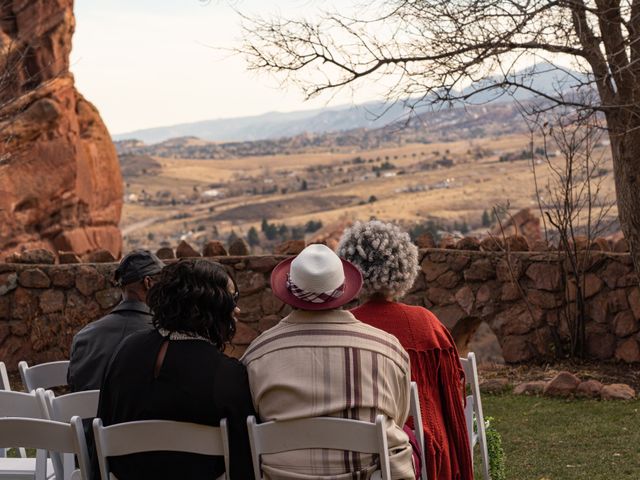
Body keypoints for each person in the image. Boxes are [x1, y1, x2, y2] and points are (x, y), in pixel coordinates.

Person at [243, 243, 416, 479]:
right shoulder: (387, 350)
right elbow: (398, 415)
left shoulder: (258, 355)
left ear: (289, 293)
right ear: (344, 290)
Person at [96, 258, 255, 480]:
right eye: (232, 299)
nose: (237, 309)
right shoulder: (227, 375)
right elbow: (245, 462)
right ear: (212, 309)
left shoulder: (124, 352)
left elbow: (102, 424)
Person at [338, 220, 473, 480]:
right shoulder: (426, 323)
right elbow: (451, 394)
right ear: (404, 264)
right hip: (426, 444)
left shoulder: (345, 327)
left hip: (357, 445)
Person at [68, 249, 165, 392]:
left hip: (87, 414)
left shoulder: (83, 336)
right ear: (148, 283)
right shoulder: (161, 338)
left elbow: (74, 388)